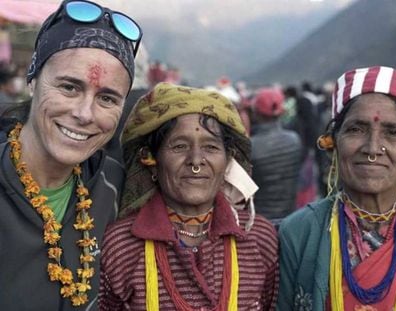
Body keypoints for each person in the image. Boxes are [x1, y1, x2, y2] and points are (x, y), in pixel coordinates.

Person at [0, 0, 142, 309]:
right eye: (69, 87)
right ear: (33, 79)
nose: (84, 113)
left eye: (107, 98)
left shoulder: (114, 183)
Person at [99, 82, 278, 310]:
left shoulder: (259, 238)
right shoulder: (120, 246)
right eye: (179, 146)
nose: (196, 161)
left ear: (228, 161)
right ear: (151, 161)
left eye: (211, 148)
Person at [277, 66, 396, 310]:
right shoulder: (298, 232)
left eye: (392, 133)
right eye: (356, 130)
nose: (373, 148)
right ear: (333, 142)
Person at [250, 87, 302, 229]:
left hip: (260, 222)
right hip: (290, 218)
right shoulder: (294, 140)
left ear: (256, 113)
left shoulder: (251, 146)